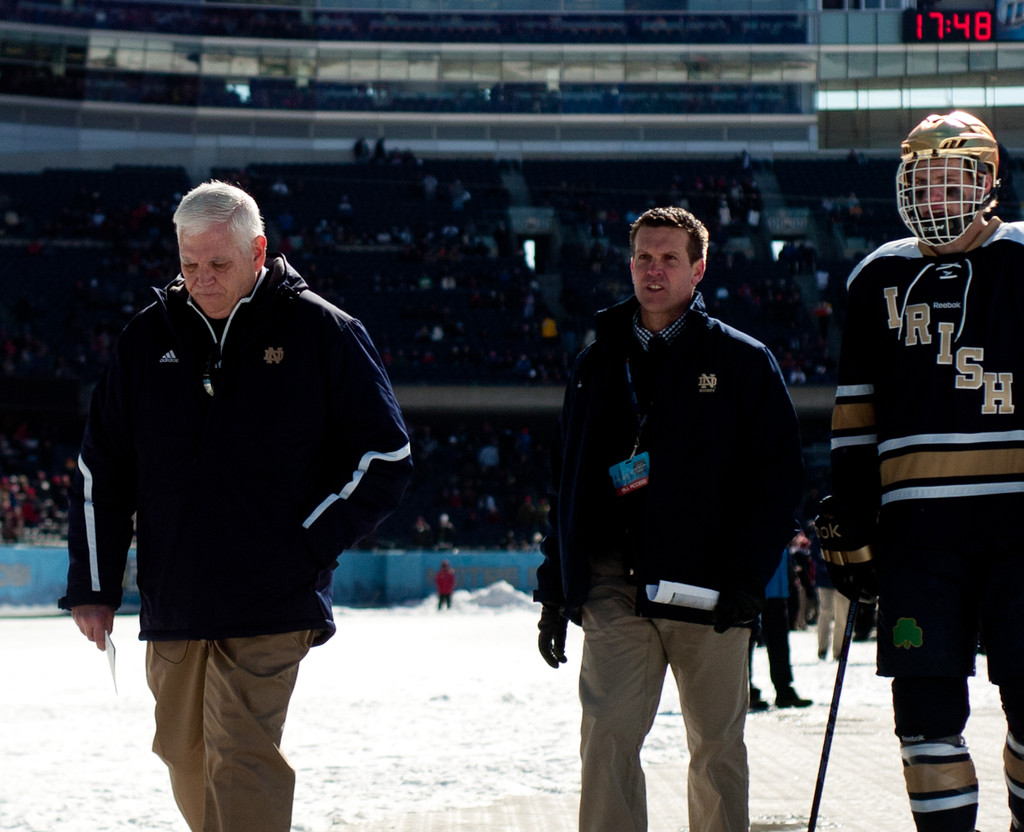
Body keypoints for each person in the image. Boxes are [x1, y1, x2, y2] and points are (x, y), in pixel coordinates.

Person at [59, 181, 413, 832]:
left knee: (241, 757)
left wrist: (301, 546)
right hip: (175, 598)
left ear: (258, 251)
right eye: (189, 265)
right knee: (184, 755)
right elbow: (100, 470)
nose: (201, 280)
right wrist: (93, 584)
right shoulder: (144, 342)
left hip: (273, 601)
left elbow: (385, 458)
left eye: (218, 264)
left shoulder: (324, 333)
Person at [535, 205, 804, 832]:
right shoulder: (596, 363)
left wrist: (747, 579)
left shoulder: (742, 361)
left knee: (715, 751)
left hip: (709, 589)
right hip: (614, 584)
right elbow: (566, 484)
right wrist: (555, 591)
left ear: (698, 269)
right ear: (630, 265)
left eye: (669, 259)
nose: (654, 271)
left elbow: (779, 479)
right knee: (605, 742)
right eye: (644, 258)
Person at [824, 110, 1024, 832]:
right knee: (925, 716)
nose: (938, 197)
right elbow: (855, 412)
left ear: (988, 182)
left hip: (1020, 530)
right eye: (925, 181)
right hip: (918, 538)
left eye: (953, 180)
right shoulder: (875, 275)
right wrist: (849, 512)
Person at [748, 542, 813, 711]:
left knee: (779, 644)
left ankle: (784, 689)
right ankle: (746, 691)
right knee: (745, 644)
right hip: (750, 588)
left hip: (776, 589)